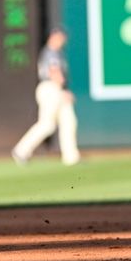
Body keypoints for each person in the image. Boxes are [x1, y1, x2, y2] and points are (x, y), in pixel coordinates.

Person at [11, 28, 81, 166]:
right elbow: (54, 72)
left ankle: (71, 157)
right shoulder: (51, 53)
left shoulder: (57, 53)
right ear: (53, 37)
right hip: (51, 88)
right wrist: (63, 90)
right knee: (47, 124)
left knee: (69, 121)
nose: (62, 41)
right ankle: (21, 151)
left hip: (55, 89)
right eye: (60, 38)